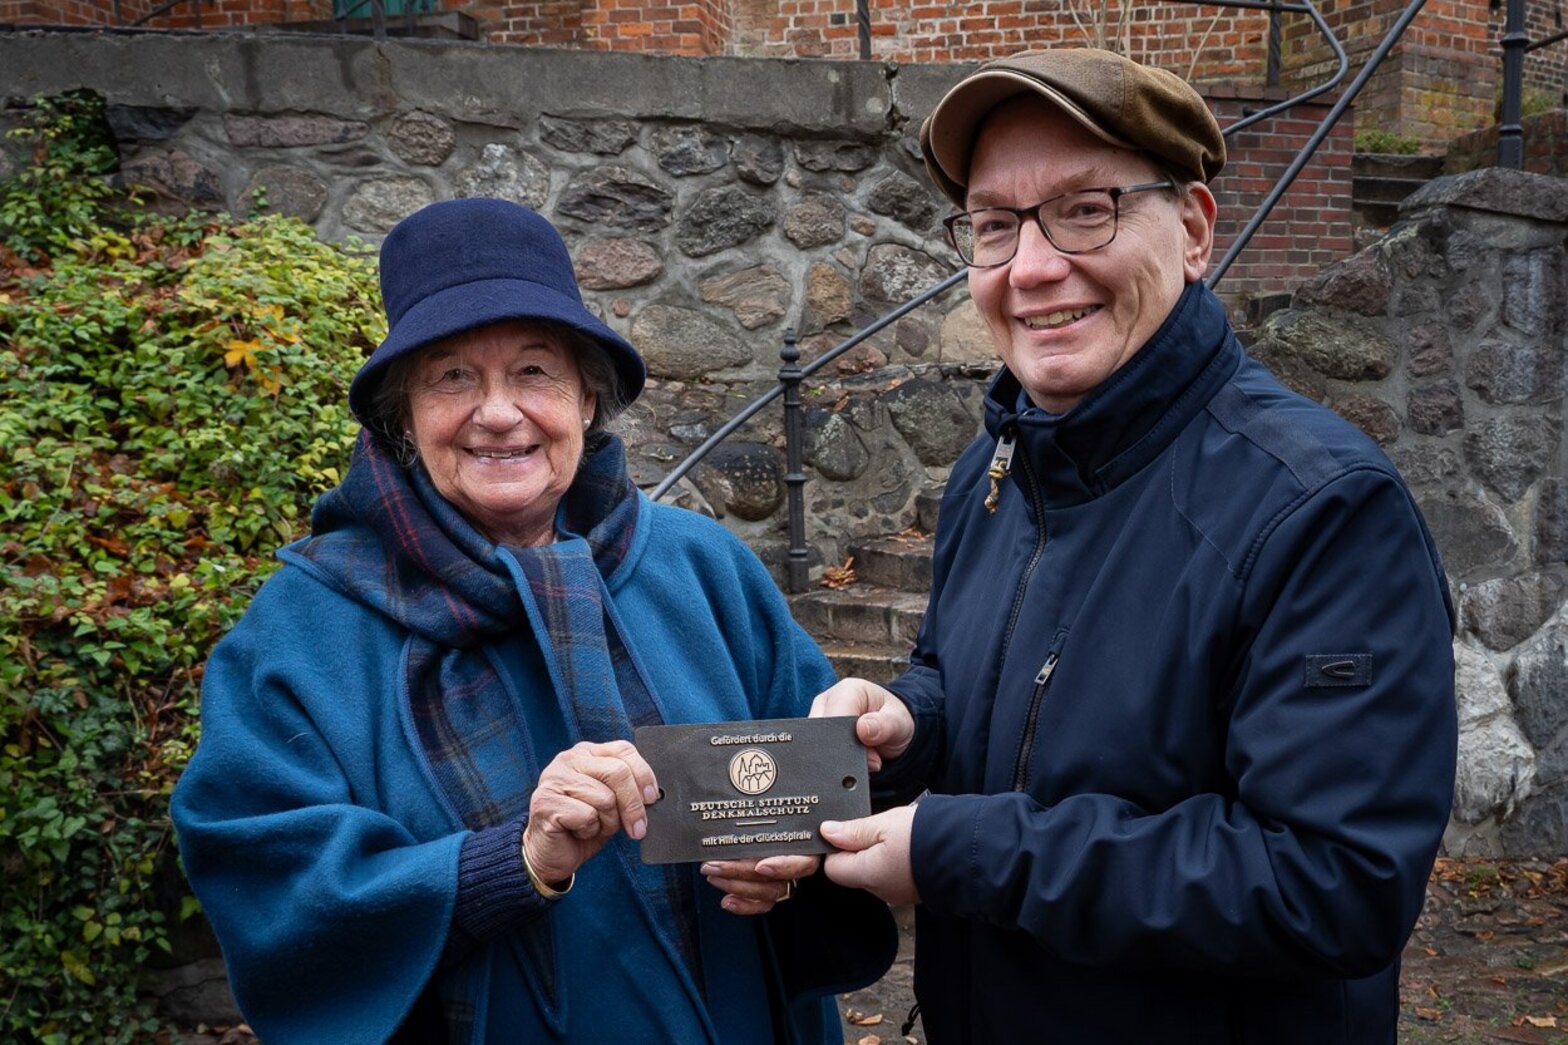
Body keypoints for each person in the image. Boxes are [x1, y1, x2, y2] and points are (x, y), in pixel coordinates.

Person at [812, 48, 1457, 1044]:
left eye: (1084, 209)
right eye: (993, 225)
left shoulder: (1320, 508)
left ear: (1193, 230)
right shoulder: (994, 463)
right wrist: (910, 719)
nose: (1029, 268)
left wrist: (961, 849)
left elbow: (1333, 881)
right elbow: (987, 681)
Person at [171, 198, 894, 1044]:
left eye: (534, 371)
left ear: (588, 398)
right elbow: (266, 879)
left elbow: (833, 798)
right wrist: (506, 863)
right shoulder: (300, 630)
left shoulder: (704, 569)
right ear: (404, 418)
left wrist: (804, 854)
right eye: (451, 376)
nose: (499, 412)